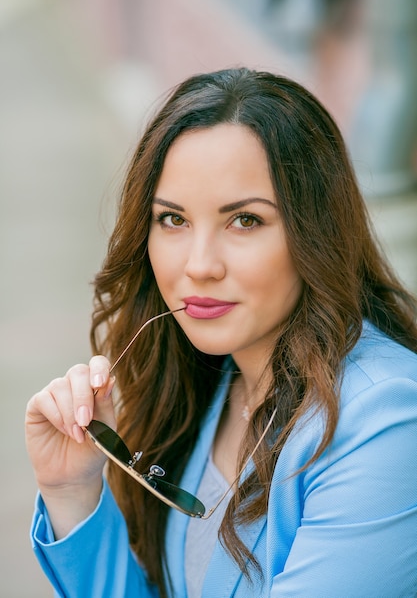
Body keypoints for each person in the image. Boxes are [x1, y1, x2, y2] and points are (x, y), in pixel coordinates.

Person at [26, 67, 417, 598]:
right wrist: (72, 491)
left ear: (315, 231)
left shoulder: (385, 424)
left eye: (245, 221)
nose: (200, 265)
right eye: (173, 220)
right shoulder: (212, 380)